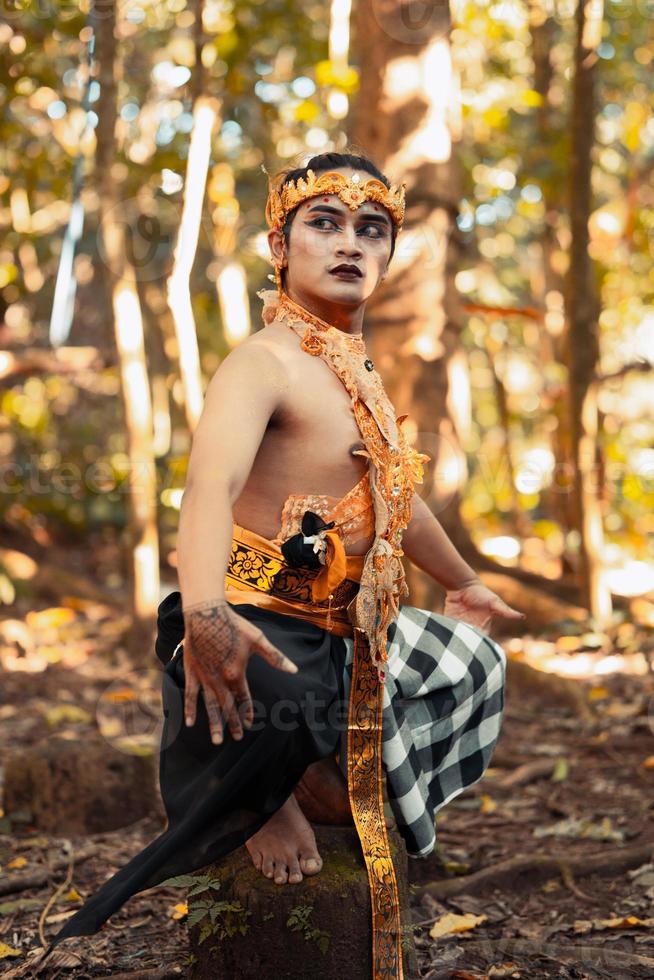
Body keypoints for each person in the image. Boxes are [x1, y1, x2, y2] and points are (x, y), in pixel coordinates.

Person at [44, 150, 523, 978]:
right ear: (281, 244)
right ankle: (252, 803)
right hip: (255, 617)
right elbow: (206, 489)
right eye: (325, 224)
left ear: (388, 252)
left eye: (370, 230)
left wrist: (463, 582)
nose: (349, 244)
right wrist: (204, 615)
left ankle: (313, 776)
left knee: (475, 665)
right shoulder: (262, 363)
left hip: (351, 624)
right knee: (281, 691)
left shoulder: (361, 372)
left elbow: (396, 498)